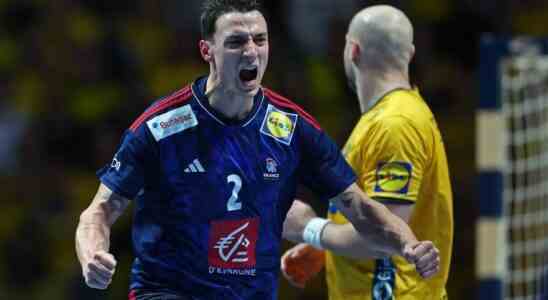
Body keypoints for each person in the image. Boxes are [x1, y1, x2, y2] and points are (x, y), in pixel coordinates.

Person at [75, 1, 440, 299]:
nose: (251, 51)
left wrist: (408, 245)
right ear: (208, 51)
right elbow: (99, 211)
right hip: (169, 292)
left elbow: (359, 206)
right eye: (236, 42)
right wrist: (92, 255)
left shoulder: (294, 127)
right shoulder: (161, 126)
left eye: (260, 40)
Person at [281, 5, 453, 300]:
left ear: (353, 50)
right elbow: (377, 219)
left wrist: (309, 228)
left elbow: (384, 237)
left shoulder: (395, 123)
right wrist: (328, 246)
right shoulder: (392, 115)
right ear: (409, 54)